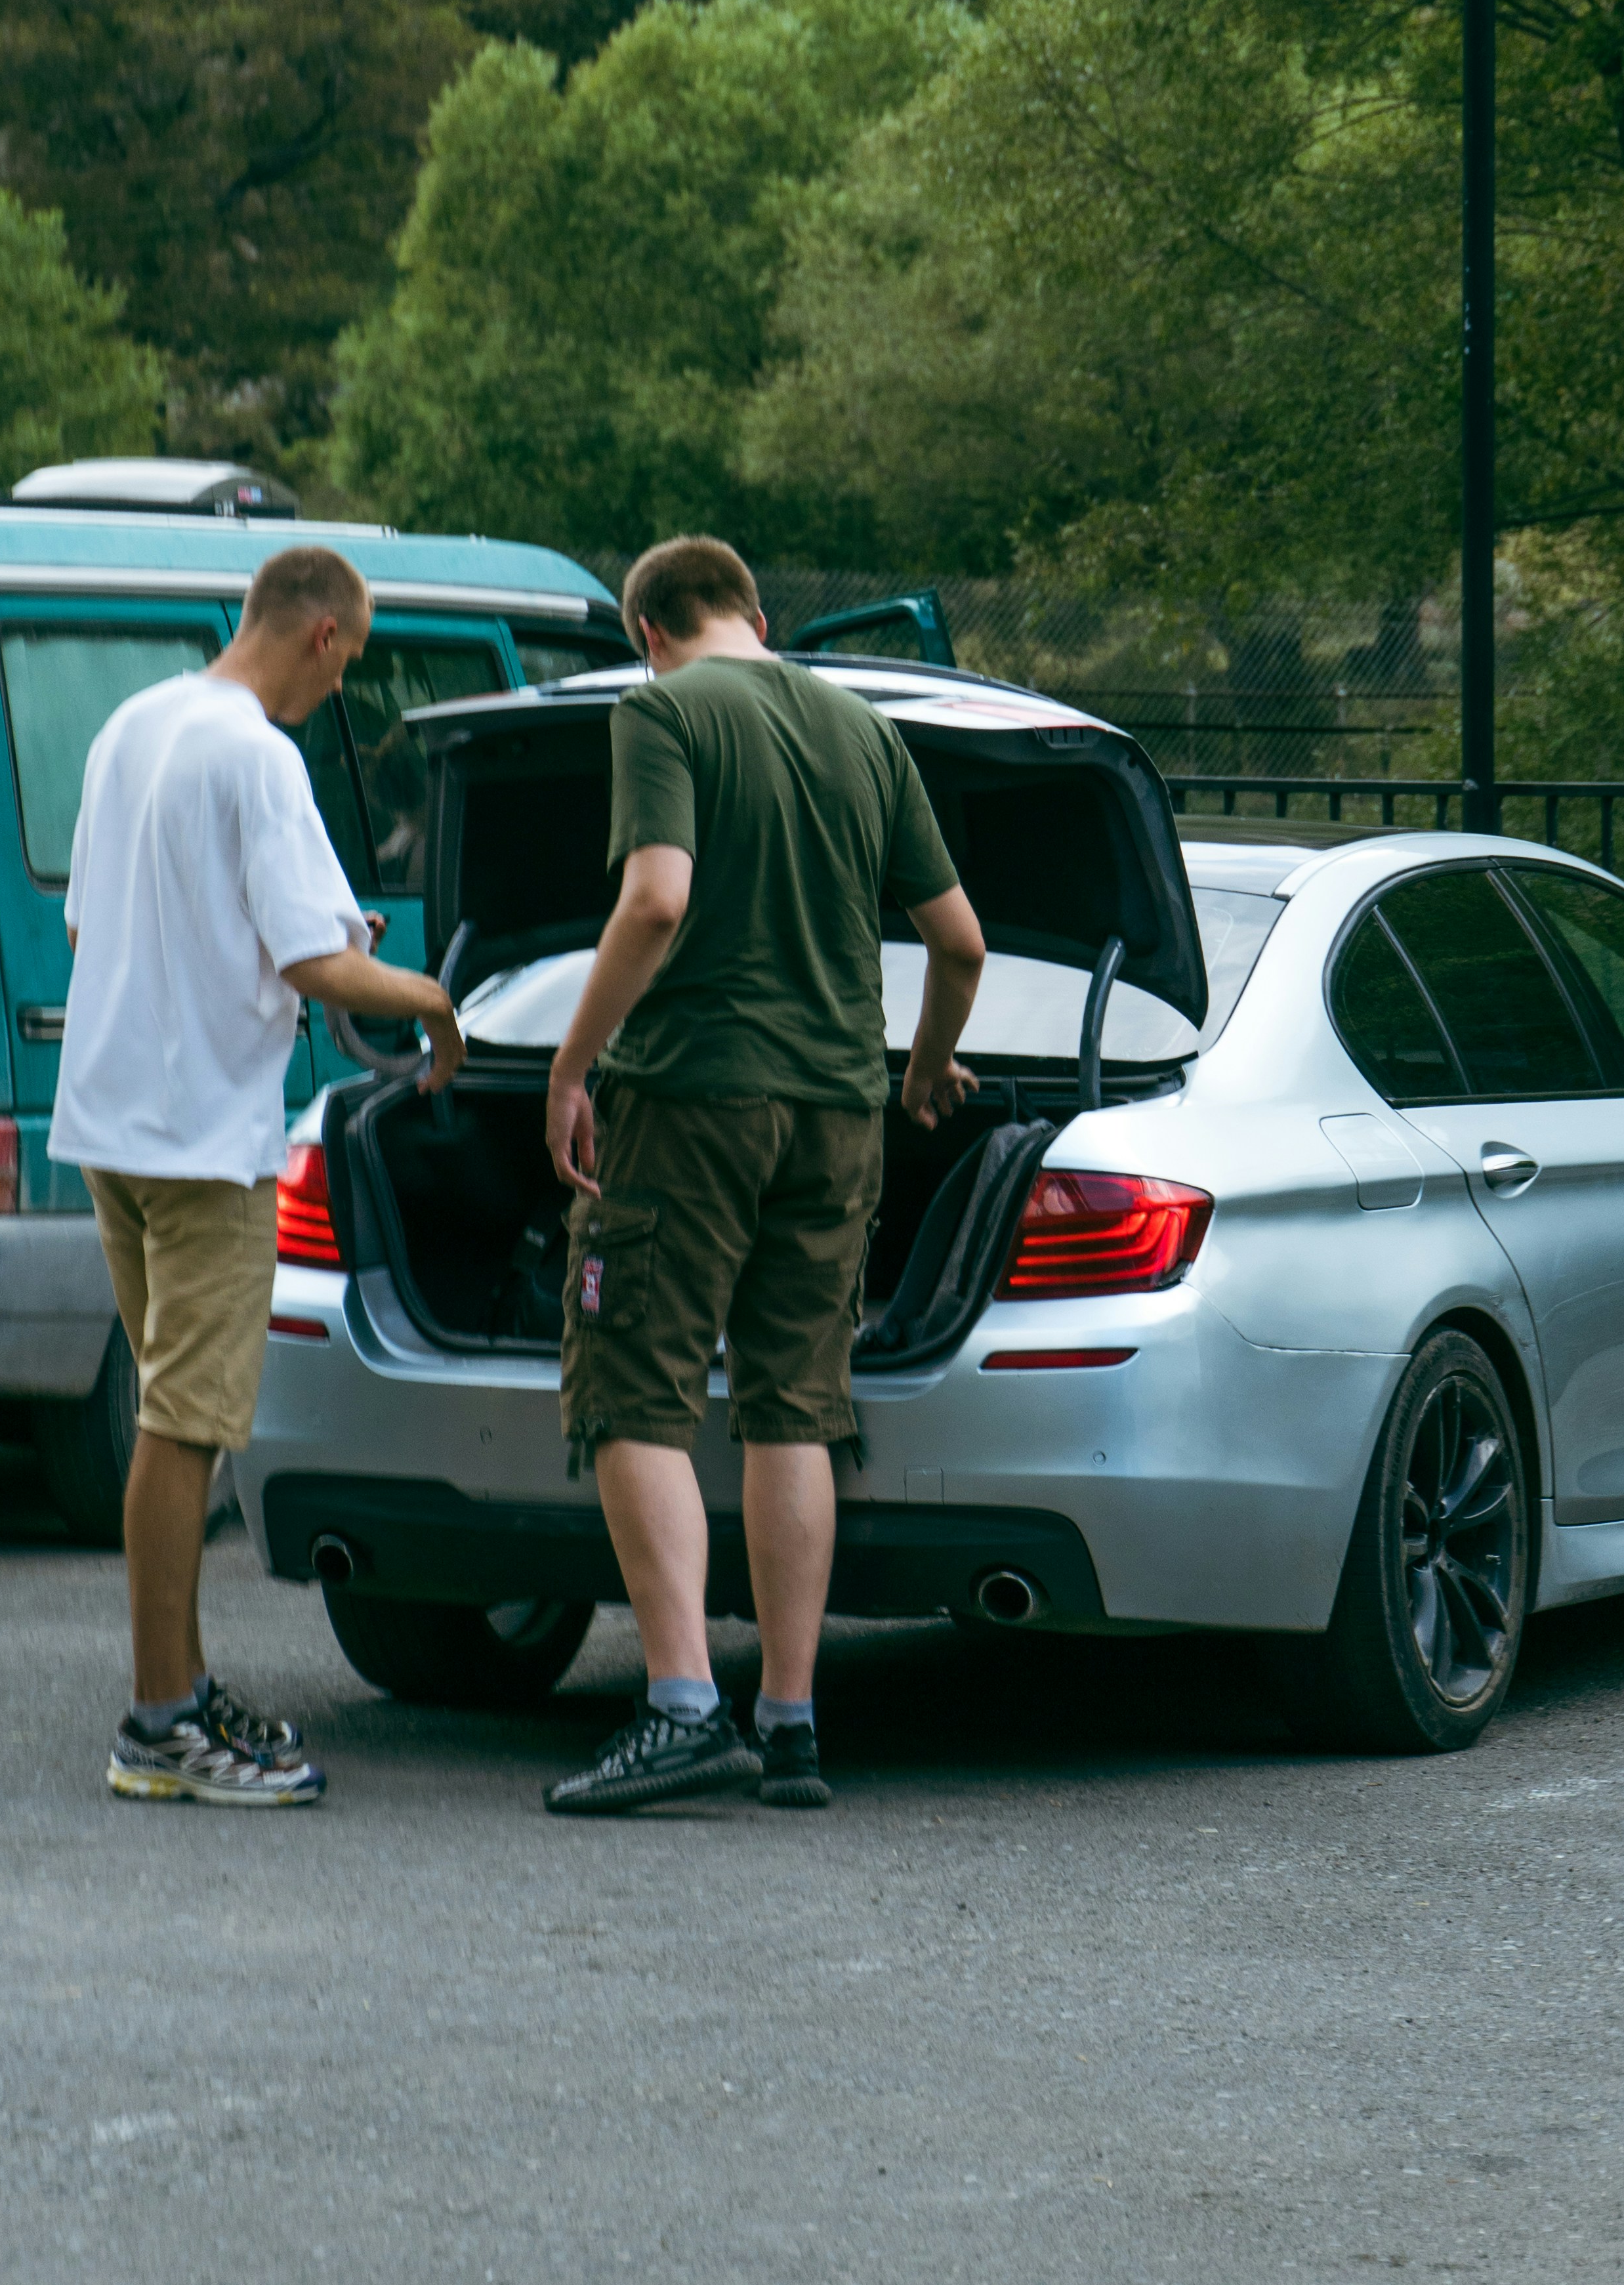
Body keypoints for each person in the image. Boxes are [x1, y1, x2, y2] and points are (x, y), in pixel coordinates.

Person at [541, 535, 985, 1816]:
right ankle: (788, 1724)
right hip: (839, 1111)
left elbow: (656, 902)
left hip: (687, 1100)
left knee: (632, 1390)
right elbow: (958, 941)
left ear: (649, 630)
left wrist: (574, 1067)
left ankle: (682, 1706)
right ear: (751, 611)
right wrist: (923, 1074)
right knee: (795, 1405)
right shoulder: (861, 729)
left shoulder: (662, 710)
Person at [51, 543, 466, 1808]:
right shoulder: (262, 754)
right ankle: (161, 1723)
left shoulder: (136, 723)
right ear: (326, 637)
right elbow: (324, 972)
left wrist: (314, 942)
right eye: (352, 663)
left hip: (110, 1126)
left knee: (165, 1423)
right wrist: (441, 1004)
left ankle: (178, 1689)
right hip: (203, 1140)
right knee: (186, 1426)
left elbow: (96, 918)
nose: (340, 691)